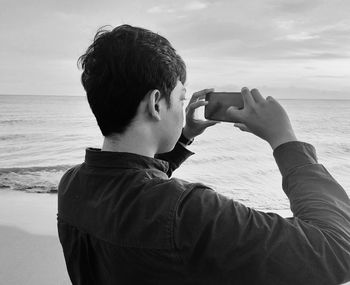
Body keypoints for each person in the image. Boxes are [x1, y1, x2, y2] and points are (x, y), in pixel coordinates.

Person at [57, 24, 350, 285]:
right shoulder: (189, 212)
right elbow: (337, 251)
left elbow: (132, 191)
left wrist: (183, 137)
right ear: (156, 104)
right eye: (181, 97)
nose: (183, 105)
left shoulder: (73, 186)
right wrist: (284, 139)